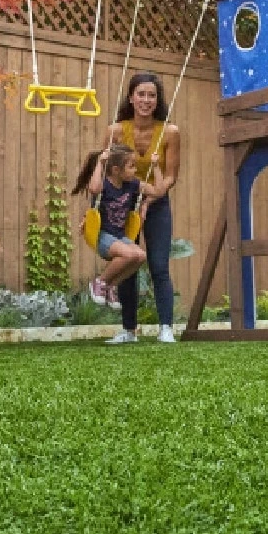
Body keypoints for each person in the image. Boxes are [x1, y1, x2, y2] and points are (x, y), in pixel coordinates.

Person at [99, 72, 181, 344]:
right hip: (123, 206)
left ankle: (166, 328)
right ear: (131, 98)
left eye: (152, 95)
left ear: (158, 101)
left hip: (155, 204)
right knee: (128, 264)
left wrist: (150, 199)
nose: (146, 100)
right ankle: (128, 330)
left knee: (158, 265)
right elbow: (106, 172)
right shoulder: (116, 131)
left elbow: (170, 176)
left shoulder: (170, 132)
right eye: (141, 94)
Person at [73, 143, 162, 300]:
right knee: (129, 255)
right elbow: (93, 188)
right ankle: (99, 282)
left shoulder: (132, 184)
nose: (135, 170)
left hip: (120, 236)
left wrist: (156, 167)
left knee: (140, 256)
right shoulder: (104, 185)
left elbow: (158, 191)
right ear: (116, 170)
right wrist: (100, 163)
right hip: (102, 236)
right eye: (131, 166)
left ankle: (111, 286)